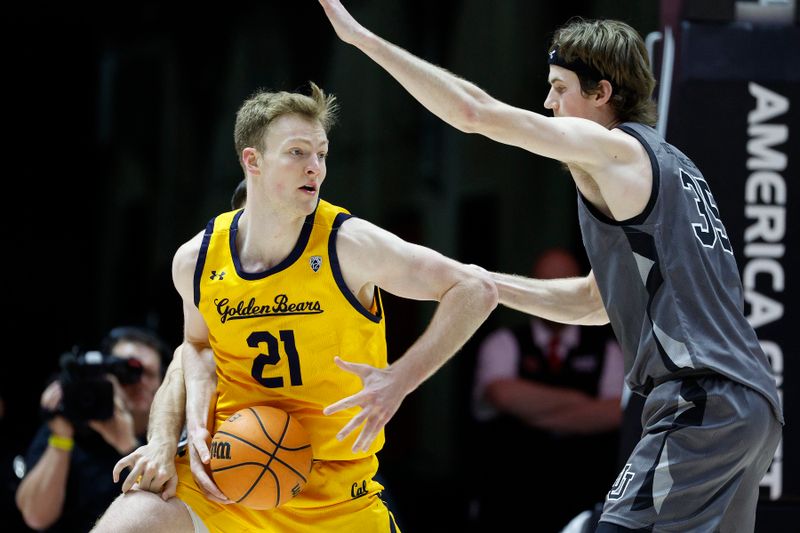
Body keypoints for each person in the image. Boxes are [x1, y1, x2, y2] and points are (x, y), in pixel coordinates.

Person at [318, 2, 783, 531]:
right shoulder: (670, 167)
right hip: (751, 407)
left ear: (602, 93)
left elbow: (476, 113)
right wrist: (485, 283)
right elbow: (593, 303)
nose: (547, 102)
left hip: (701, 399)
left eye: (560, 88)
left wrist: (363, 40)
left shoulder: (617, 150)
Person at [91, 82, 497, 533]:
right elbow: (194, 346)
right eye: (298, 152)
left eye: (321, 154)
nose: (316, 168)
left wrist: (400, 380)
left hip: (337, 497)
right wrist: (165, 439)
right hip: (229, 476)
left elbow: (474, 289)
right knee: (129, 520)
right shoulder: (197, 259)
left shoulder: (349, 244)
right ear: (253, 161)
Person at [471, 247, 624, 532]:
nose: (554, 296)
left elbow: (616, 412)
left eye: (564, 284)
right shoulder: (503, 343)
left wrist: (533, 414)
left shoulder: (608, 349)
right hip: (508, 504)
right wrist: (580, 401)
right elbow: (502, 395)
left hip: (583, 503)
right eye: (545, 285)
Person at [15, 326, 169, 532]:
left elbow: (170, 514)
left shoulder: (167, 438)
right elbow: (35, 516)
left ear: (163, 383)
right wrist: (61, 440)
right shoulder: (71, 422)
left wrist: (127, 445)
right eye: (126, 370)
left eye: (147, 373)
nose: (137, 381)